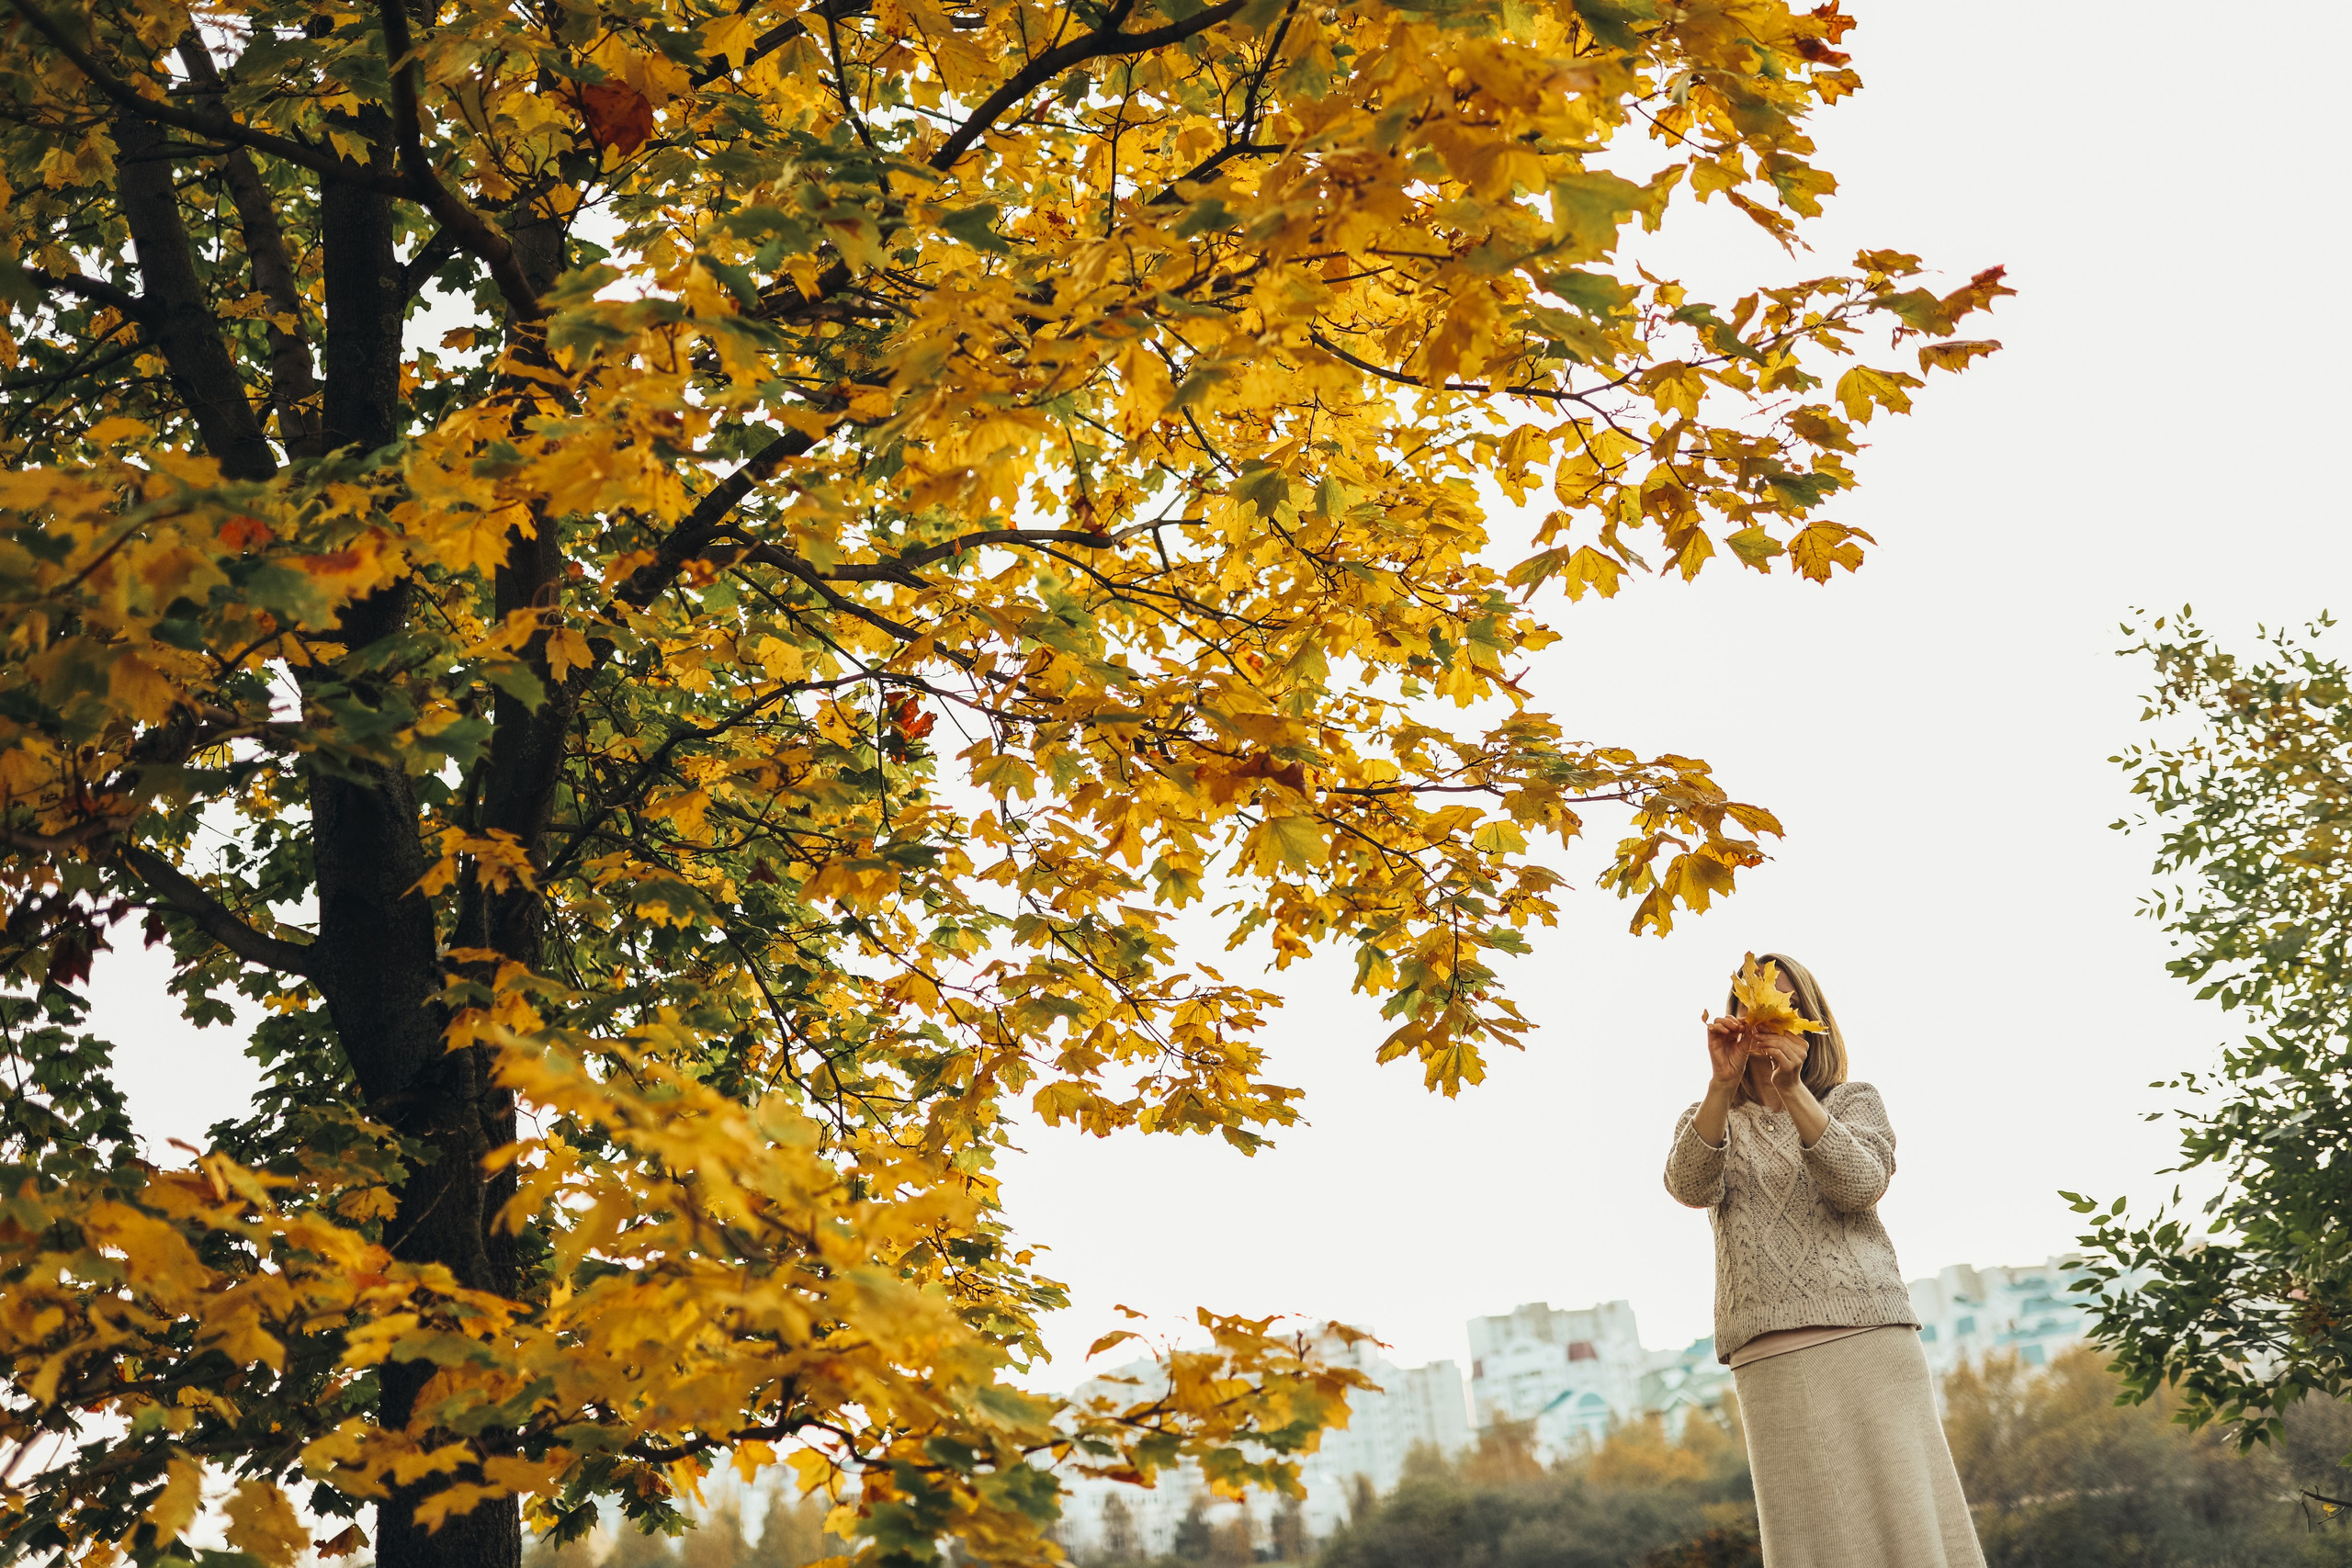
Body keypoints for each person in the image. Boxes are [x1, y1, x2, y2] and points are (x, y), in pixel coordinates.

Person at [1662, 953, 1984, 1568]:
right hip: (1770, 1356)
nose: (1767, 1014)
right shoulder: (1710, 1118)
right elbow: (1688, 1184)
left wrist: (1794, 1091)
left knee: (1910, 1529)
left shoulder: (1854, 1100)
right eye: (1754, 1001)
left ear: (1811, 1023)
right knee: (1813, 1539)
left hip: (1872, 1343)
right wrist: (1721, 1085)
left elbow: (1860, 1184)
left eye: (1785, 1003)